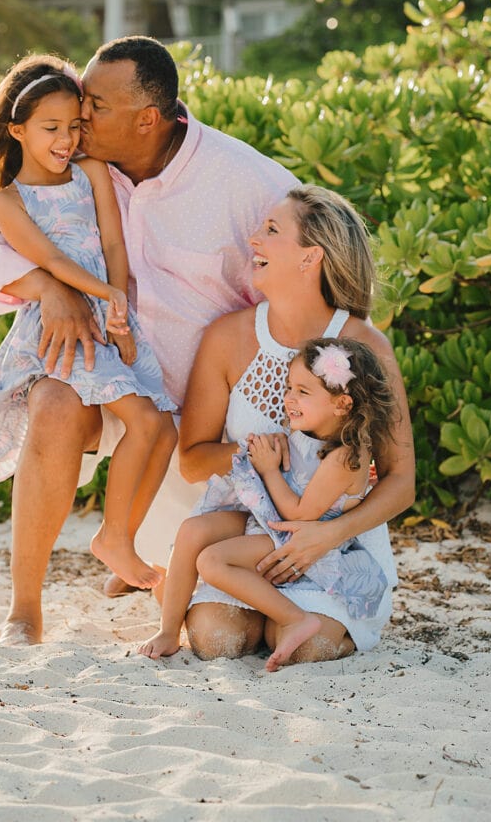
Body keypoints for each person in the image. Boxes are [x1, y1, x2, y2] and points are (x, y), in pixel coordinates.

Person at [0, 36, 294, 643]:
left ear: (148, 120)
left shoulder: (248, 183)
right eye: (78, 104)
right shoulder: (72, 163)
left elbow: (316, 283)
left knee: (221, 633)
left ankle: (136, 550)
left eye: (95, 108)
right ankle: (24, 610)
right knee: (54, 403)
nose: (80, 120)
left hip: (203, 422)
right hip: (106, 371)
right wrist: (50, 289)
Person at [0, 54, 177, 625]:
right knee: (88, 411)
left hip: (122, 324)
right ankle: (31, 605)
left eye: (78, 123)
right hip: (68, 335)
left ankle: (118, 540)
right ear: (17, 129)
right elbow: (33, 258)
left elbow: (112, 243)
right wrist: (59, 291)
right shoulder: (7, 198)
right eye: (53, 126)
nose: (68, 137)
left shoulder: (93, 171)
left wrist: (115, 304)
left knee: (157, 422)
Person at [178, 186, 415, 665]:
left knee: (308, 647)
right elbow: (191, 459)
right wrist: (270, 458)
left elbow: (401, 481)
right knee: (216, 640)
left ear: (311, 258)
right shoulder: (226, 337)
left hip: (335, 545)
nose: (254, 239)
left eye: (271, 230)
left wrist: (327, 534)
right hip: (246, 538)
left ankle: (312, 612)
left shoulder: (367, 347)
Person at [139, 337, 396, 671]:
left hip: (301, 539)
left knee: (213, 562)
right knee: (192, 531)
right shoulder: (311, 434)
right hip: (270, 523)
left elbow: (299, 514)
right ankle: (168, 630)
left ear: (343, 404)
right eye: (289, 388)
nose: (289, 398)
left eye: (303, 392)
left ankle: (294, 619)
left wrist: (269, 469)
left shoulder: (346, 457)